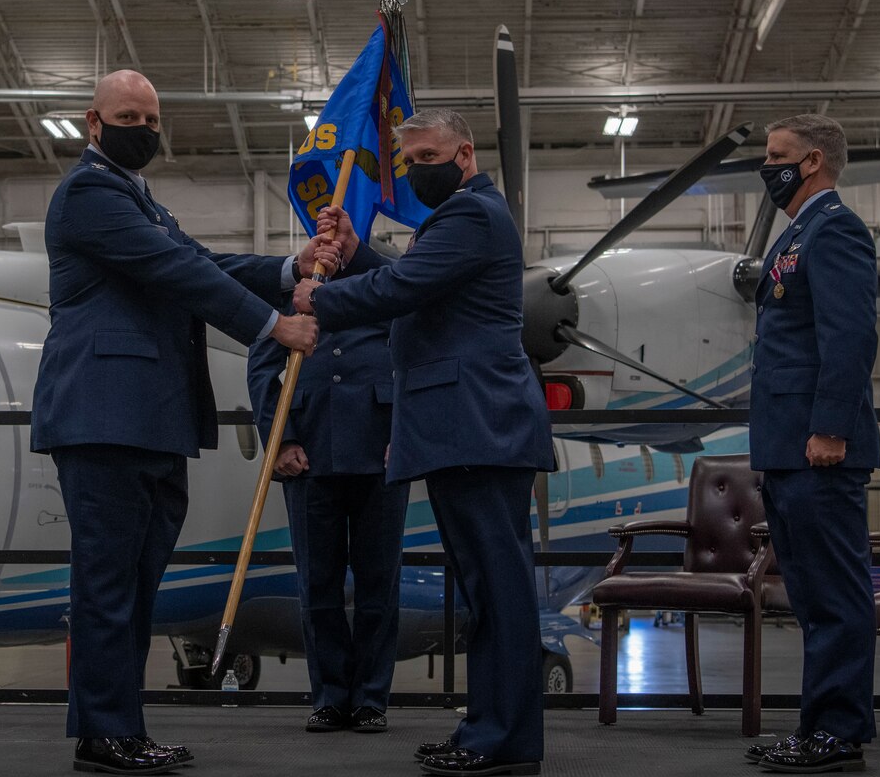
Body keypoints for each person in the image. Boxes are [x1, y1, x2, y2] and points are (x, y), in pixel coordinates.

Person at [30, 69, 334, 776]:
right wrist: (274, 325)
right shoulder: (89, 194)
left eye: (152, 117)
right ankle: (105, 733)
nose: (144, 130)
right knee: (109, 583)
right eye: (128, 116)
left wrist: (292, 266)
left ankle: (119, 728)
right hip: (105, 417)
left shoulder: (142, 202)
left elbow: (201, 260)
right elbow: (175, 271)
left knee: (134, 583)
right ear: (93, 123)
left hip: (151, 419)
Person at [292, 108, 554, 777]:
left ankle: (502, 734)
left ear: (465, 154)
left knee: (497, 591)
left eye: (426, 158)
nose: (414, 172)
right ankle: (494, 729)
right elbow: (414, 282)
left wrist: (316, 297)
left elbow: (405, 286)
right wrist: (354, 256)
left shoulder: (469, 215)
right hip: (466, 425)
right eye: (408, 162)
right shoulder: (463, 217)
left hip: (478, 425)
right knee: (487, 591)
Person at [747, 113, 880, 774]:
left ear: (813, 163)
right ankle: (818, 723)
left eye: (777, 155)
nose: (766, 166)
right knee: (811, 595)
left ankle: (839, 729)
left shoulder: (837, 230)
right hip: (785, 445)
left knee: (834, 594)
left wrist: (830, 427)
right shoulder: (795, 234)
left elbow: (850, 338)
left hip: (817, 445)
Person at [246, 237, 409, 734]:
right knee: (317, 584)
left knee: (379, 584)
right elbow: (262, 370)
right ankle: (330, 696)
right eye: (321, 244)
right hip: (309, 452)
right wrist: (281, 440)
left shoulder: (385, 287)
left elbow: (412, 357)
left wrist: (403, 435)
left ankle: (371, 700)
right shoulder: (289, 293)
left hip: (379, 451)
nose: (329, 251)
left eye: (337, 243)